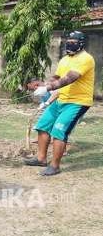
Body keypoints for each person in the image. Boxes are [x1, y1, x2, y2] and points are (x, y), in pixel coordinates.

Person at [25, 31, 94, 176]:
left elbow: (69, 78)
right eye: (68, 40)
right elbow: (57, 77)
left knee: (59, 131)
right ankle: (41, 158)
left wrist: (48, 88)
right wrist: (43, 85)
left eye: (73, 41)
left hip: (77, 102)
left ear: (81, 43)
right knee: (43, 125)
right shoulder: (64, 60)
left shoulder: (86, 59)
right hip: (61, 98)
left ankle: (55, 166)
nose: (69, 43)